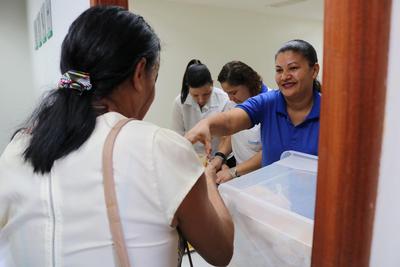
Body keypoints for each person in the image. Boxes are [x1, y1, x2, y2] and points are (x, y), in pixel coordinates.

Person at [0, 6, 233, 267]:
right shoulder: (156, 147)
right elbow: (221, 251)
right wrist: (208, 179)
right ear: (139, 73)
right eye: (153, 78)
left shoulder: (17, 150)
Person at [186, 39, 321, 168]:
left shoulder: (330, 111)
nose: (285, 76)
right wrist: (206, 124)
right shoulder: (268, 102)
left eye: (293, 68)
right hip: (270, 190)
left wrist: (234, 172)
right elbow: (230, 122)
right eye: (279, 70)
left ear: (314, 70)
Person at [210, 61, 269, 183]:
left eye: (233, 92)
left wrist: (233, 172)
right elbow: (232, 135)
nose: (230, 98)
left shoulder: (270, 103)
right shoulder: (234, 103)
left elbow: (268, 151)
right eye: (227, 93)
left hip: (265, 178)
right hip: (241, 176)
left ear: (249, 84)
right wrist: (220, 156)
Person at [171, 59, 230, 156]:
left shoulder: (224, 99)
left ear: (212, 83)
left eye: (206, 94)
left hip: (220, 156)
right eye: (195, 95)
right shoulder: (179, 103)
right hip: (193, 159)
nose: (201, 100)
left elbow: (227, 137)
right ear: (188, 87)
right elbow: (178, 138)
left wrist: (219, 159)